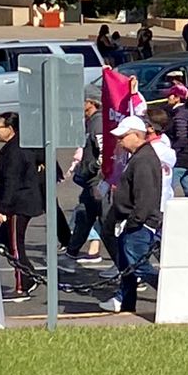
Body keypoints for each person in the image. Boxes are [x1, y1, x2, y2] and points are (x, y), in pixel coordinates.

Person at [100, 116, 162, 314]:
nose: (120, 141)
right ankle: (128, 306)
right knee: (127, 270)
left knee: (139, 266)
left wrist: (134, 222)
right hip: (131, 222)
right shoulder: (138, 157)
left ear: (136, 135)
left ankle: (172, 292)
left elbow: (145, 197)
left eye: (123, 136)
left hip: (138, 225)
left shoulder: (144, 160)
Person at [0, 112, 44, 303]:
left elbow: (10, 181)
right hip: (20, 201)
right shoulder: (17, 146)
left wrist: (2, 210)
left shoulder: (14, 151)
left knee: (15, 245)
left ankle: (22, 286)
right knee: (5, 241)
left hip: (18, 204)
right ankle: (30, 276)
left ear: (11, 129)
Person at [65, 87, 108, 265]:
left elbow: (103, 151)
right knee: (84, 216)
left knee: (107, 225)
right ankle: (70, 255)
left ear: (90, 103)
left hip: (96, 182)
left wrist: (91, 168)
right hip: (90, 181)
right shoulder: (90, 121)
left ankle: (124, 265)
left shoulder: (97, 122)